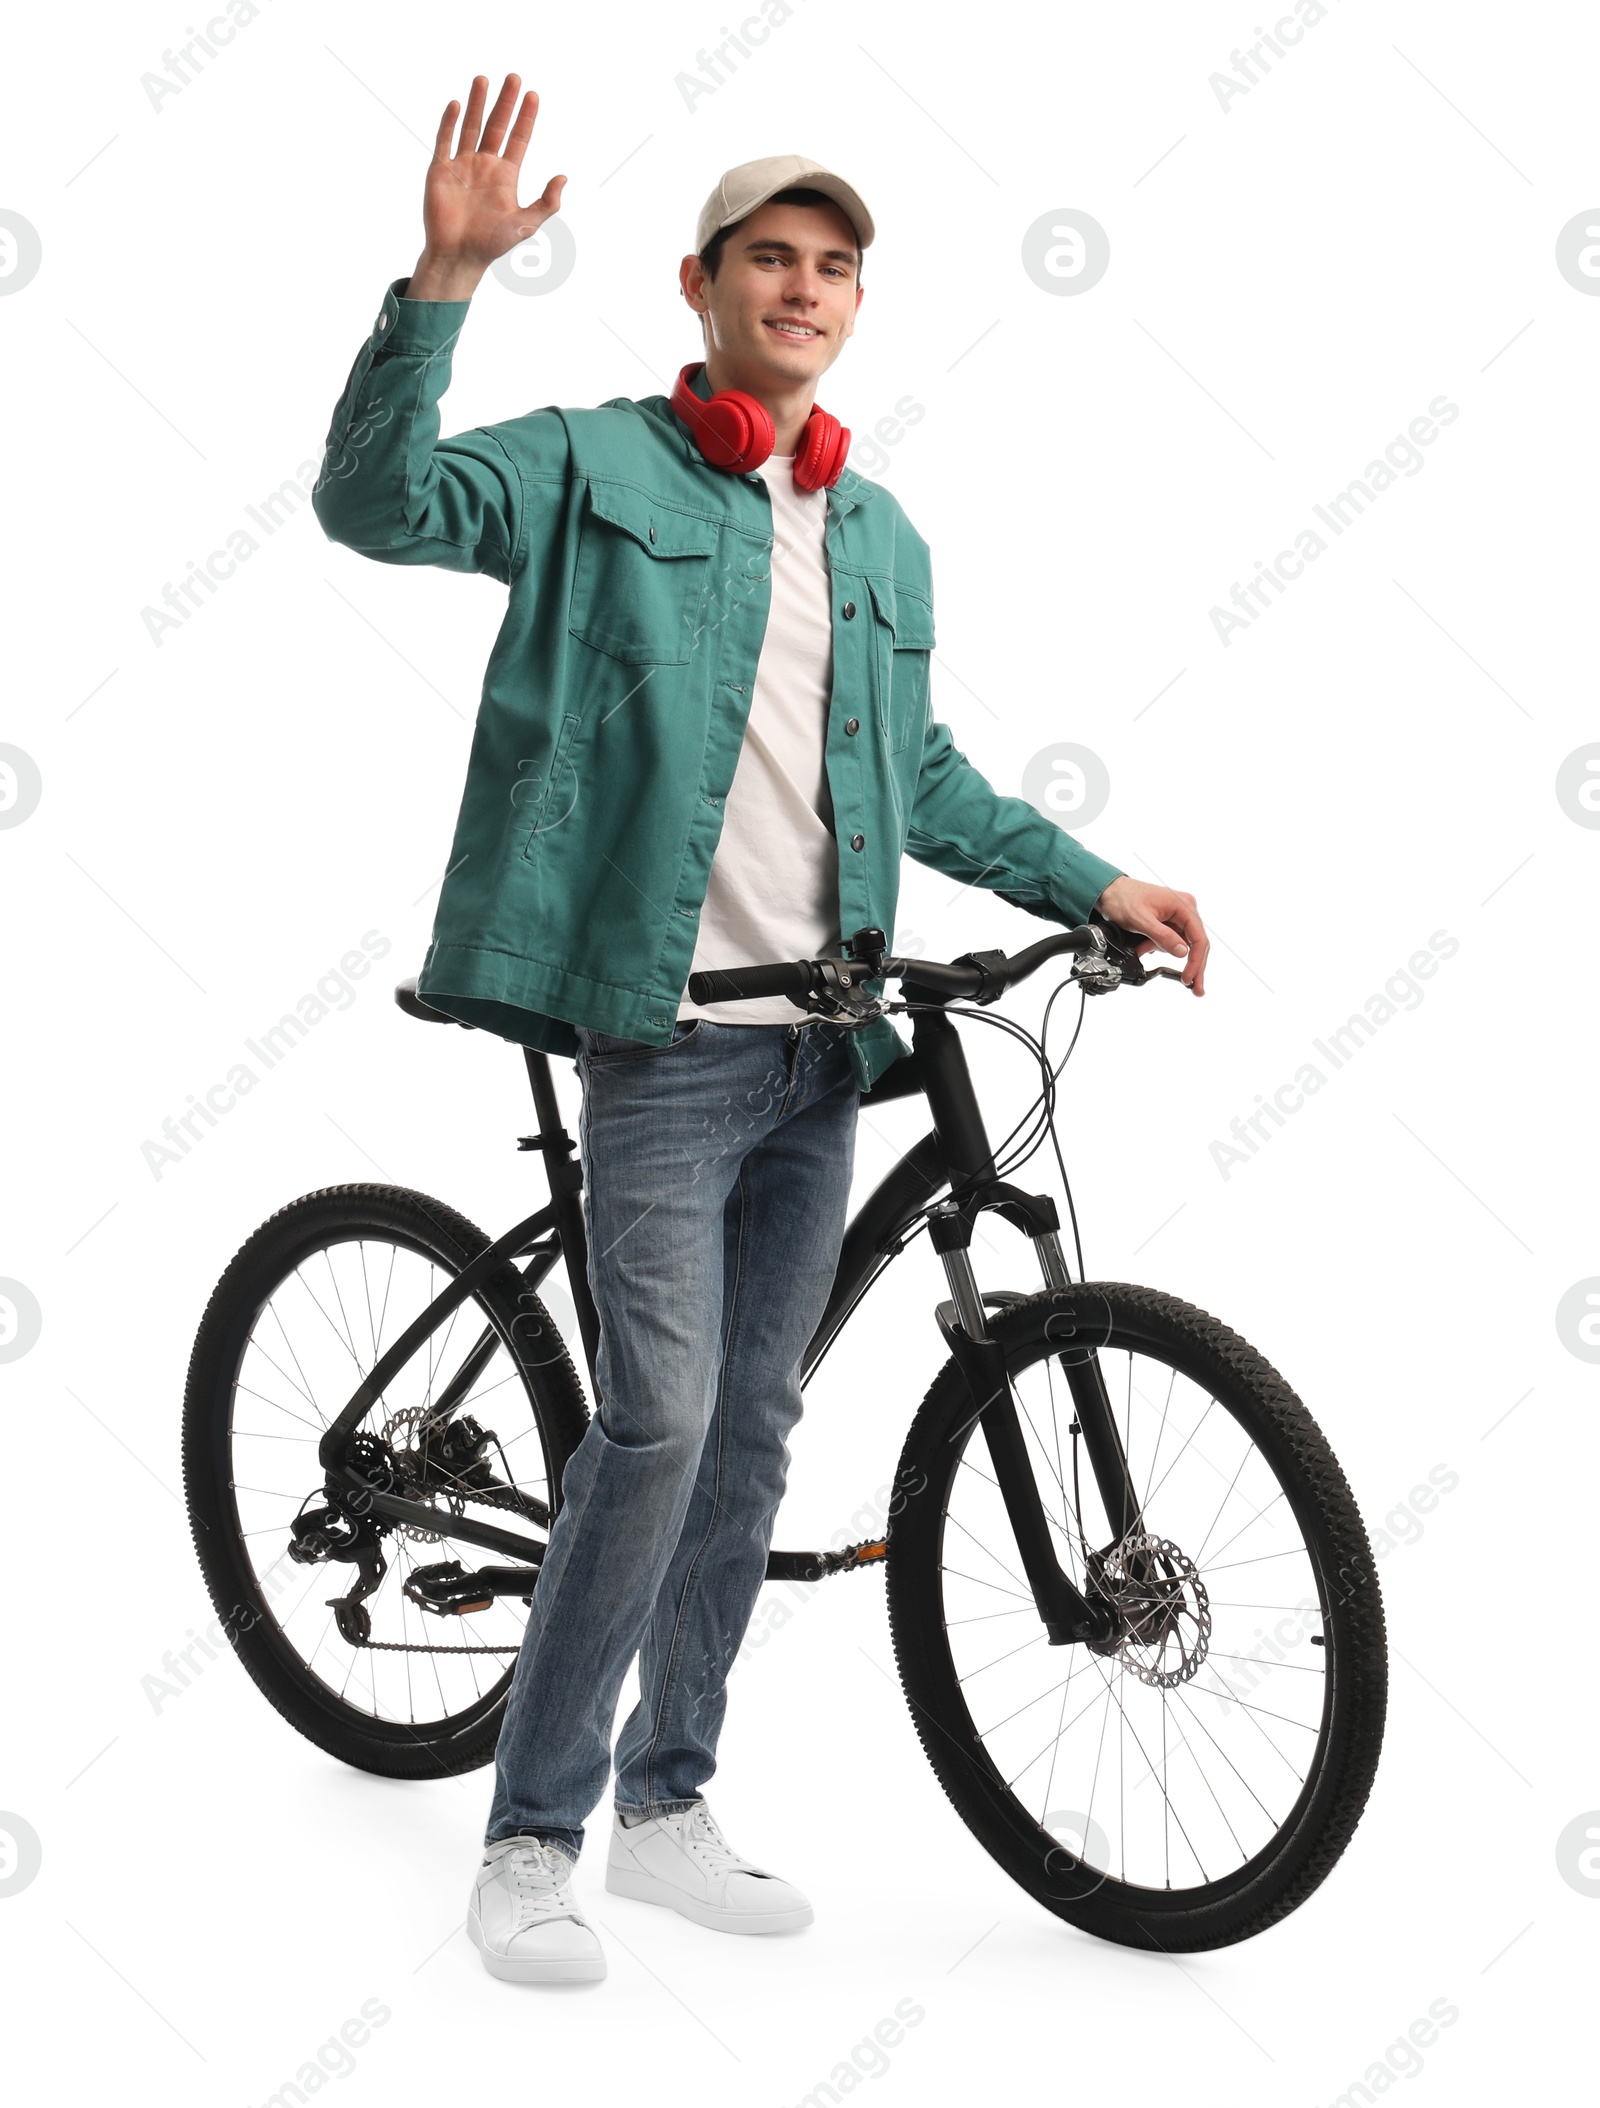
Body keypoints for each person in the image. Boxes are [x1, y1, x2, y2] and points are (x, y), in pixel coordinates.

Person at [312, 72, 1209, 1986]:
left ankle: (665, 1803)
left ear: (853, 308)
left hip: (829, 1051)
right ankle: (532, 1835)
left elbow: (928, 778)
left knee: (752, 1436)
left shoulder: (878, 534)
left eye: (833, 268)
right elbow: (372, 505)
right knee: (661, 1423)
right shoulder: (588, 468)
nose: (802, 289)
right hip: (656, 1033)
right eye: (769, 260)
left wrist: (1091, 882)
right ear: (702, 287)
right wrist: (442, 282)